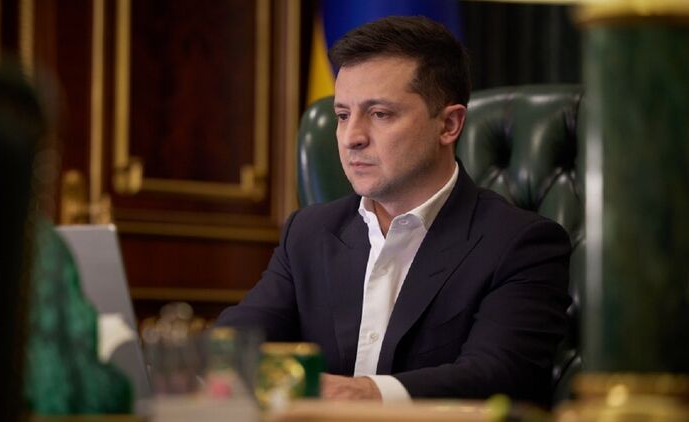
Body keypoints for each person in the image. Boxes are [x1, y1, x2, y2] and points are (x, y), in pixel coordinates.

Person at [217, 16, 571, 406]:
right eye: (342, 115)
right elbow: (238, 341)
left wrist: (365, 393)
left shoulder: (520, 244)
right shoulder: (308, 232)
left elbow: (499, 375)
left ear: (449, 124)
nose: (352, 137)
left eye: (380, 114)